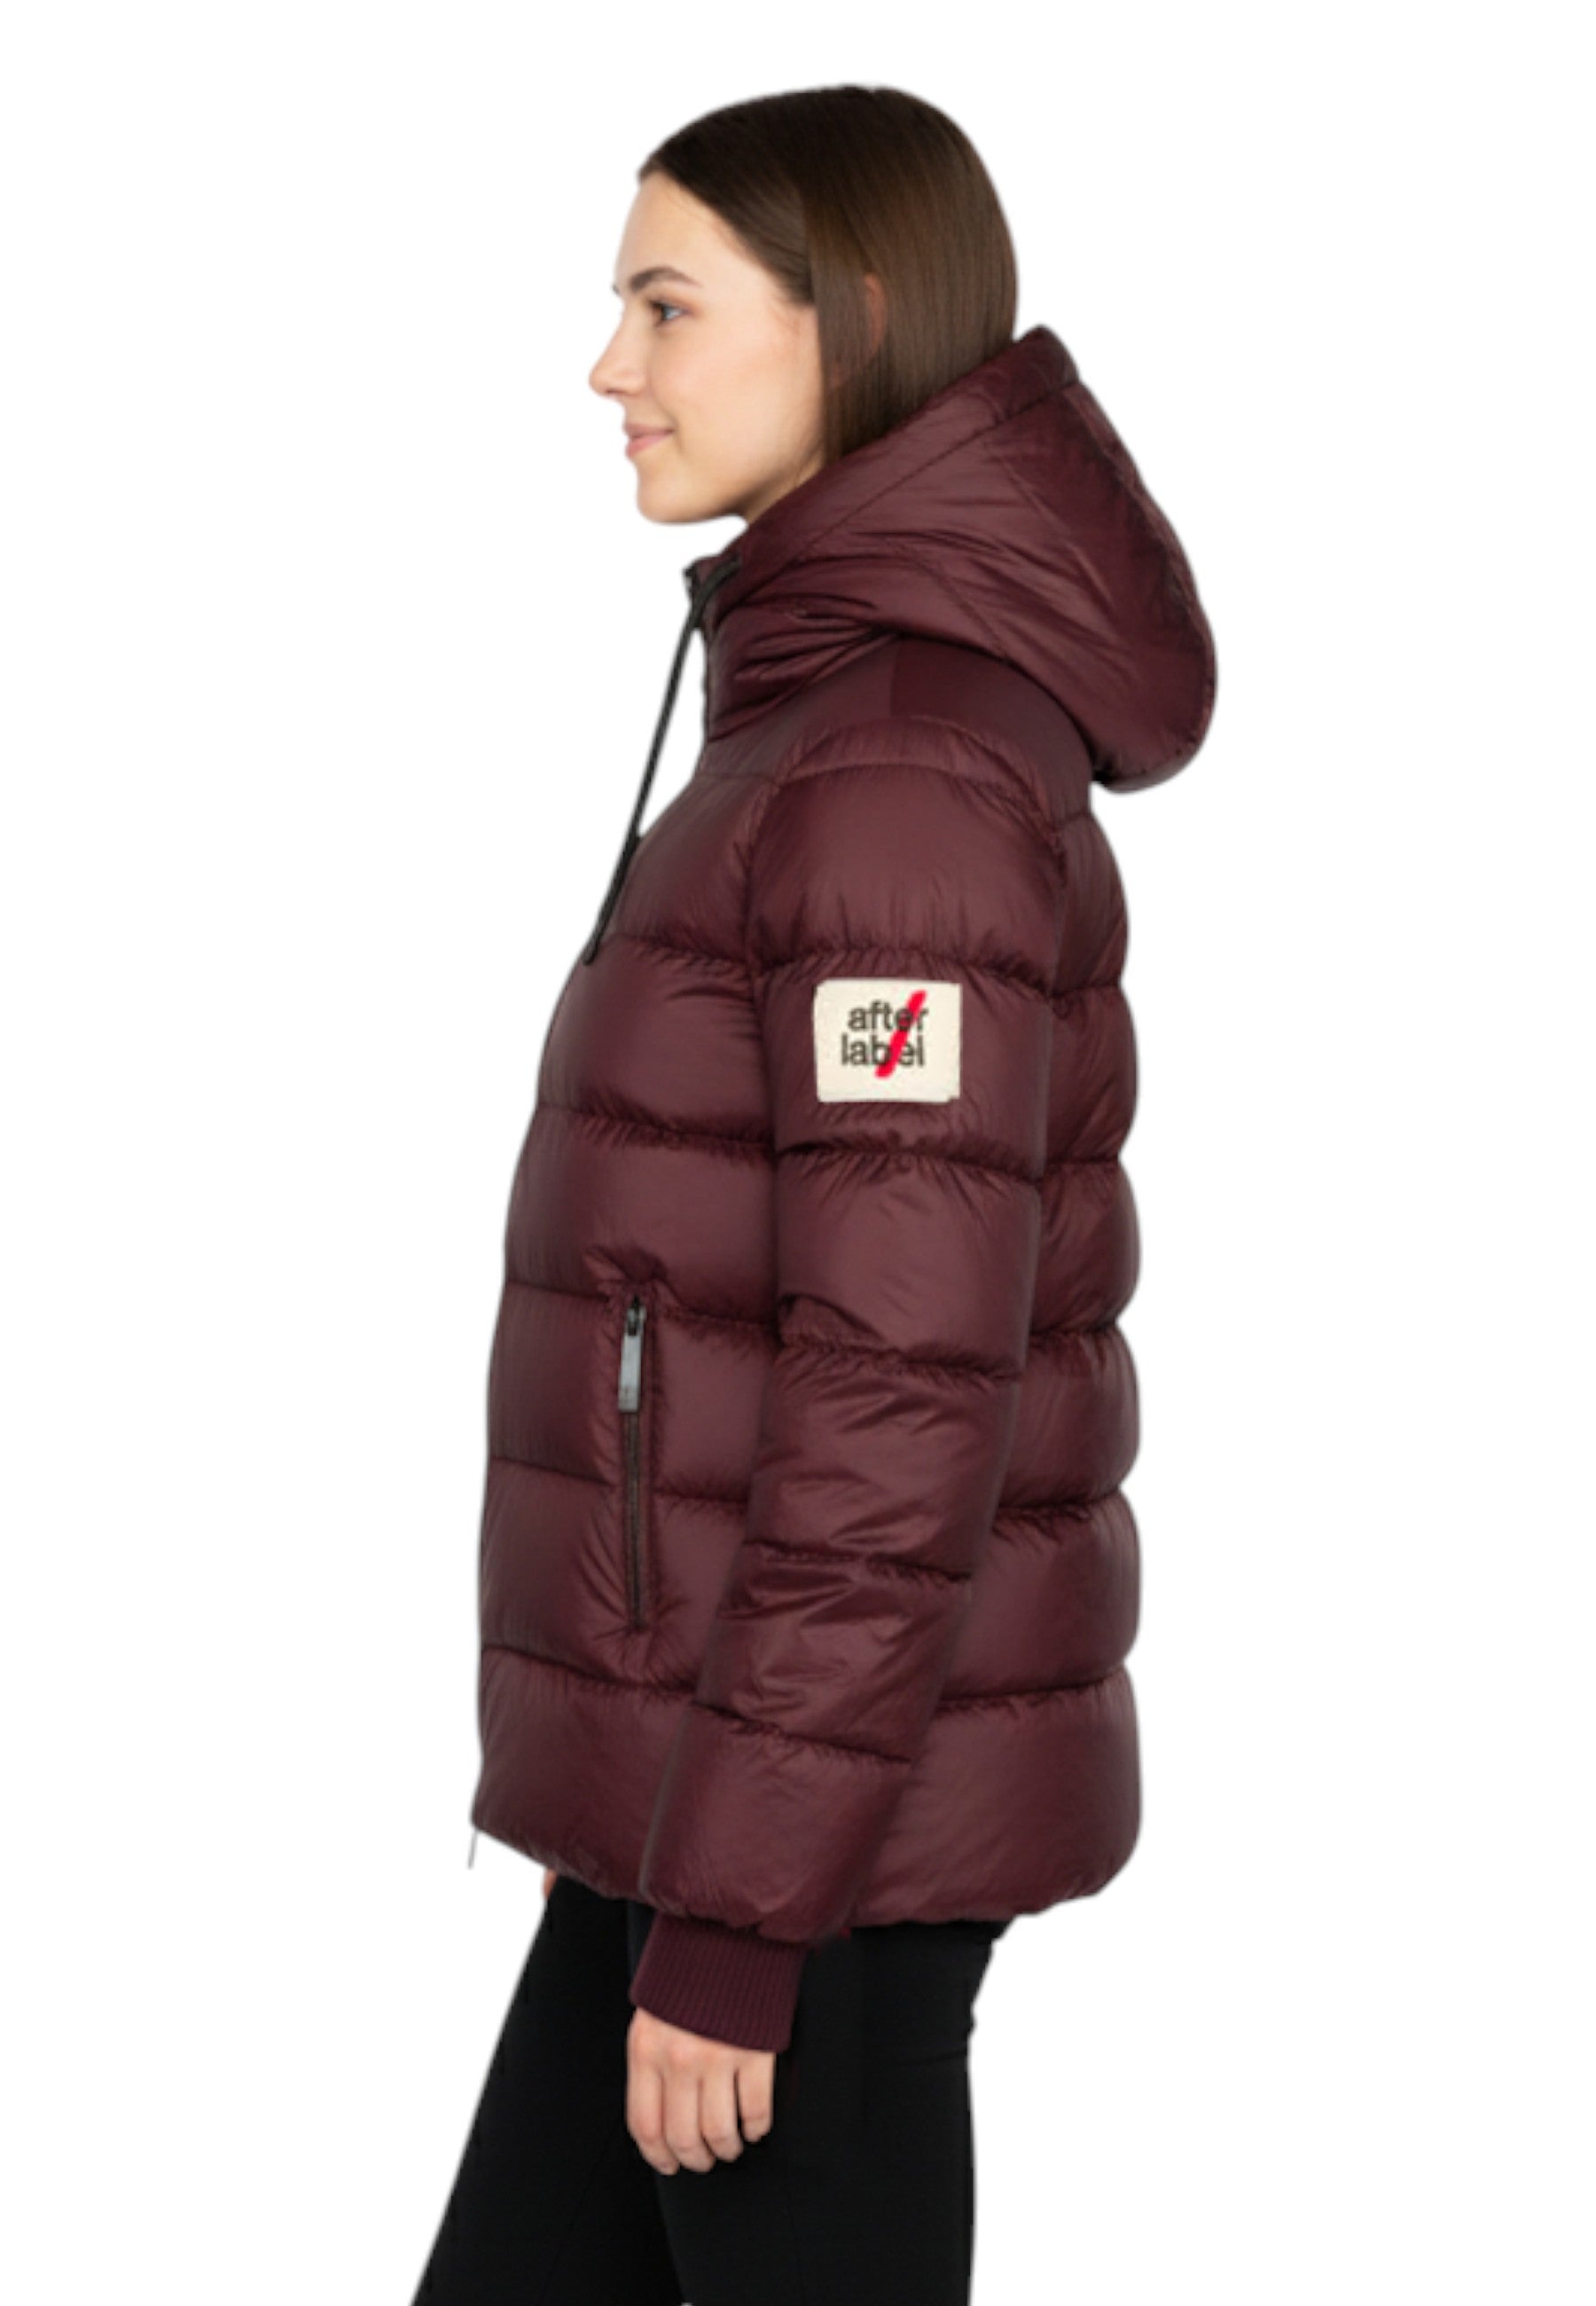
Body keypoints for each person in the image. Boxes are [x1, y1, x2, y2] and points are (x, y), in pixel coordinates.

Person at [411, 82, 1217, 2306]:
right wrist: (669, 1836)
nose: (611, 365)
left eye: (667, 306)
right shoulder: (822, 723)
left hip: (809, 1857)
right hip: (706, 1795)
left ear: (848, 323)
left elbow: (898, 1394)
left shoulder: (900, 775)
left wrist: (743, 1915)